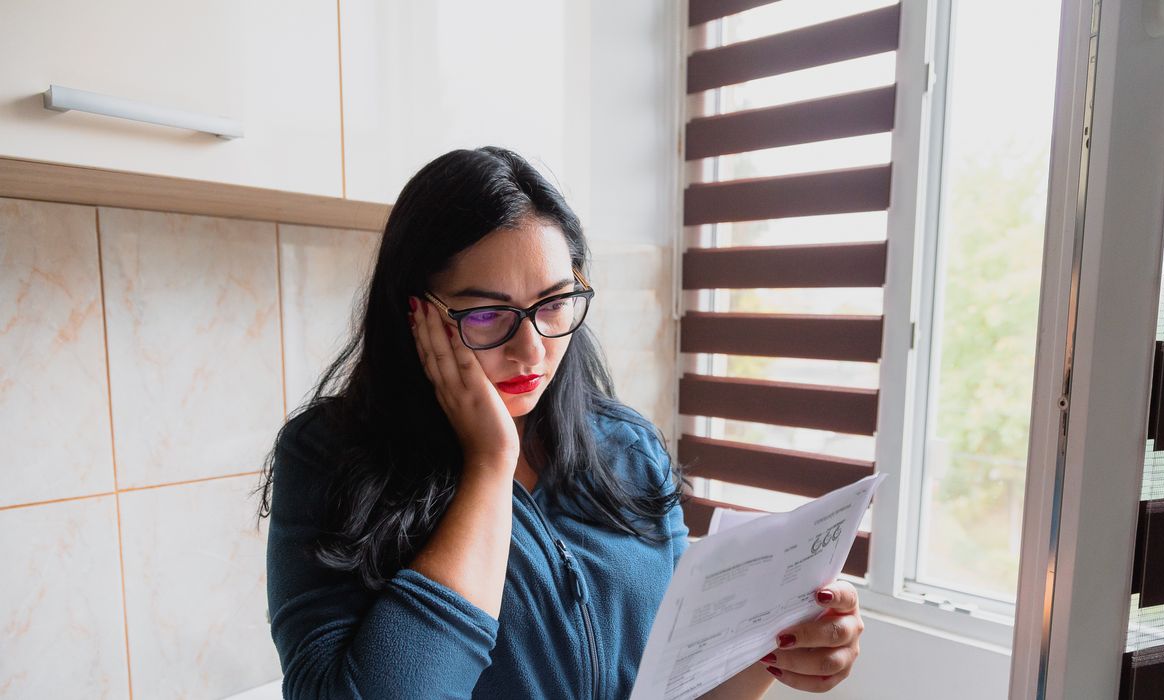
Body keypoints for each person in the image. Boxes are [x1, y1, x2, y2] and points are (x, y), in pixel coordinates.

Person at [255, 146, 864, 699]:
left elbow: (679, 683)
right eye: (487, 314)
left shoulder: (625, 447)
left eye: (553, 303)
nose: (531, 350)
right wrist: (489, 465)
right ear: (415, 314)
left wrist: (777, 647)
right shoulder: (328, 457)